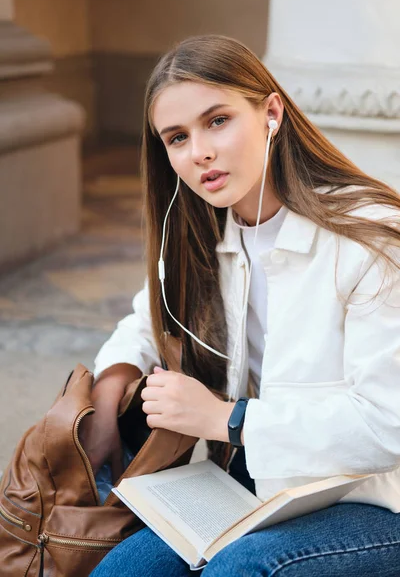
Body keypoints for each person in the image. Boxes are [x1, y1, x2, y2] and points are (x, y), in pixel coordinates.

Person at [86, 34, 400, 576]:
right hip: (260, 489)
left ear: (271, 112)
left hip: (374, 499)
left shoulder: (370, 236)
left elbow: (388, 423)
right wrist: (111, 381)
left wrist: (228, 420)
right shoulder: (205, 233)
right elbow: (146, 320)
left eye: (217, 121)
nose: (199, 152)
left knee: (240, 571)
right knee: (124, 572)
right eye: (177, 137)